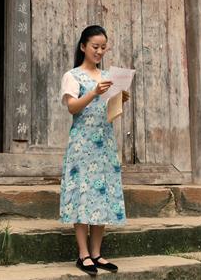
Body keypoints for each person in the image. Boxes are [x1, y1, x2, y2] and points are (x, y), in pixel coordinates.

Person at [59, 25, 129, 276]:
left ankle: (97, 253)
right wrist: (93, 92)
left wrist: (119, 100)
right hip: (82, 144)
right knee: (82, 195)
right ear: (83, 47)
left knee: (102, 194)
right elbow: (72, 108)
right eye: (95, 47)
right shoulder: (73, 75)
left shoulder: (108, 75)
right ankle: (83, 254)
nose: (99, 51)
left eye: (103, 47)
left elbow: (109, 113)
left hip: (105, 143)